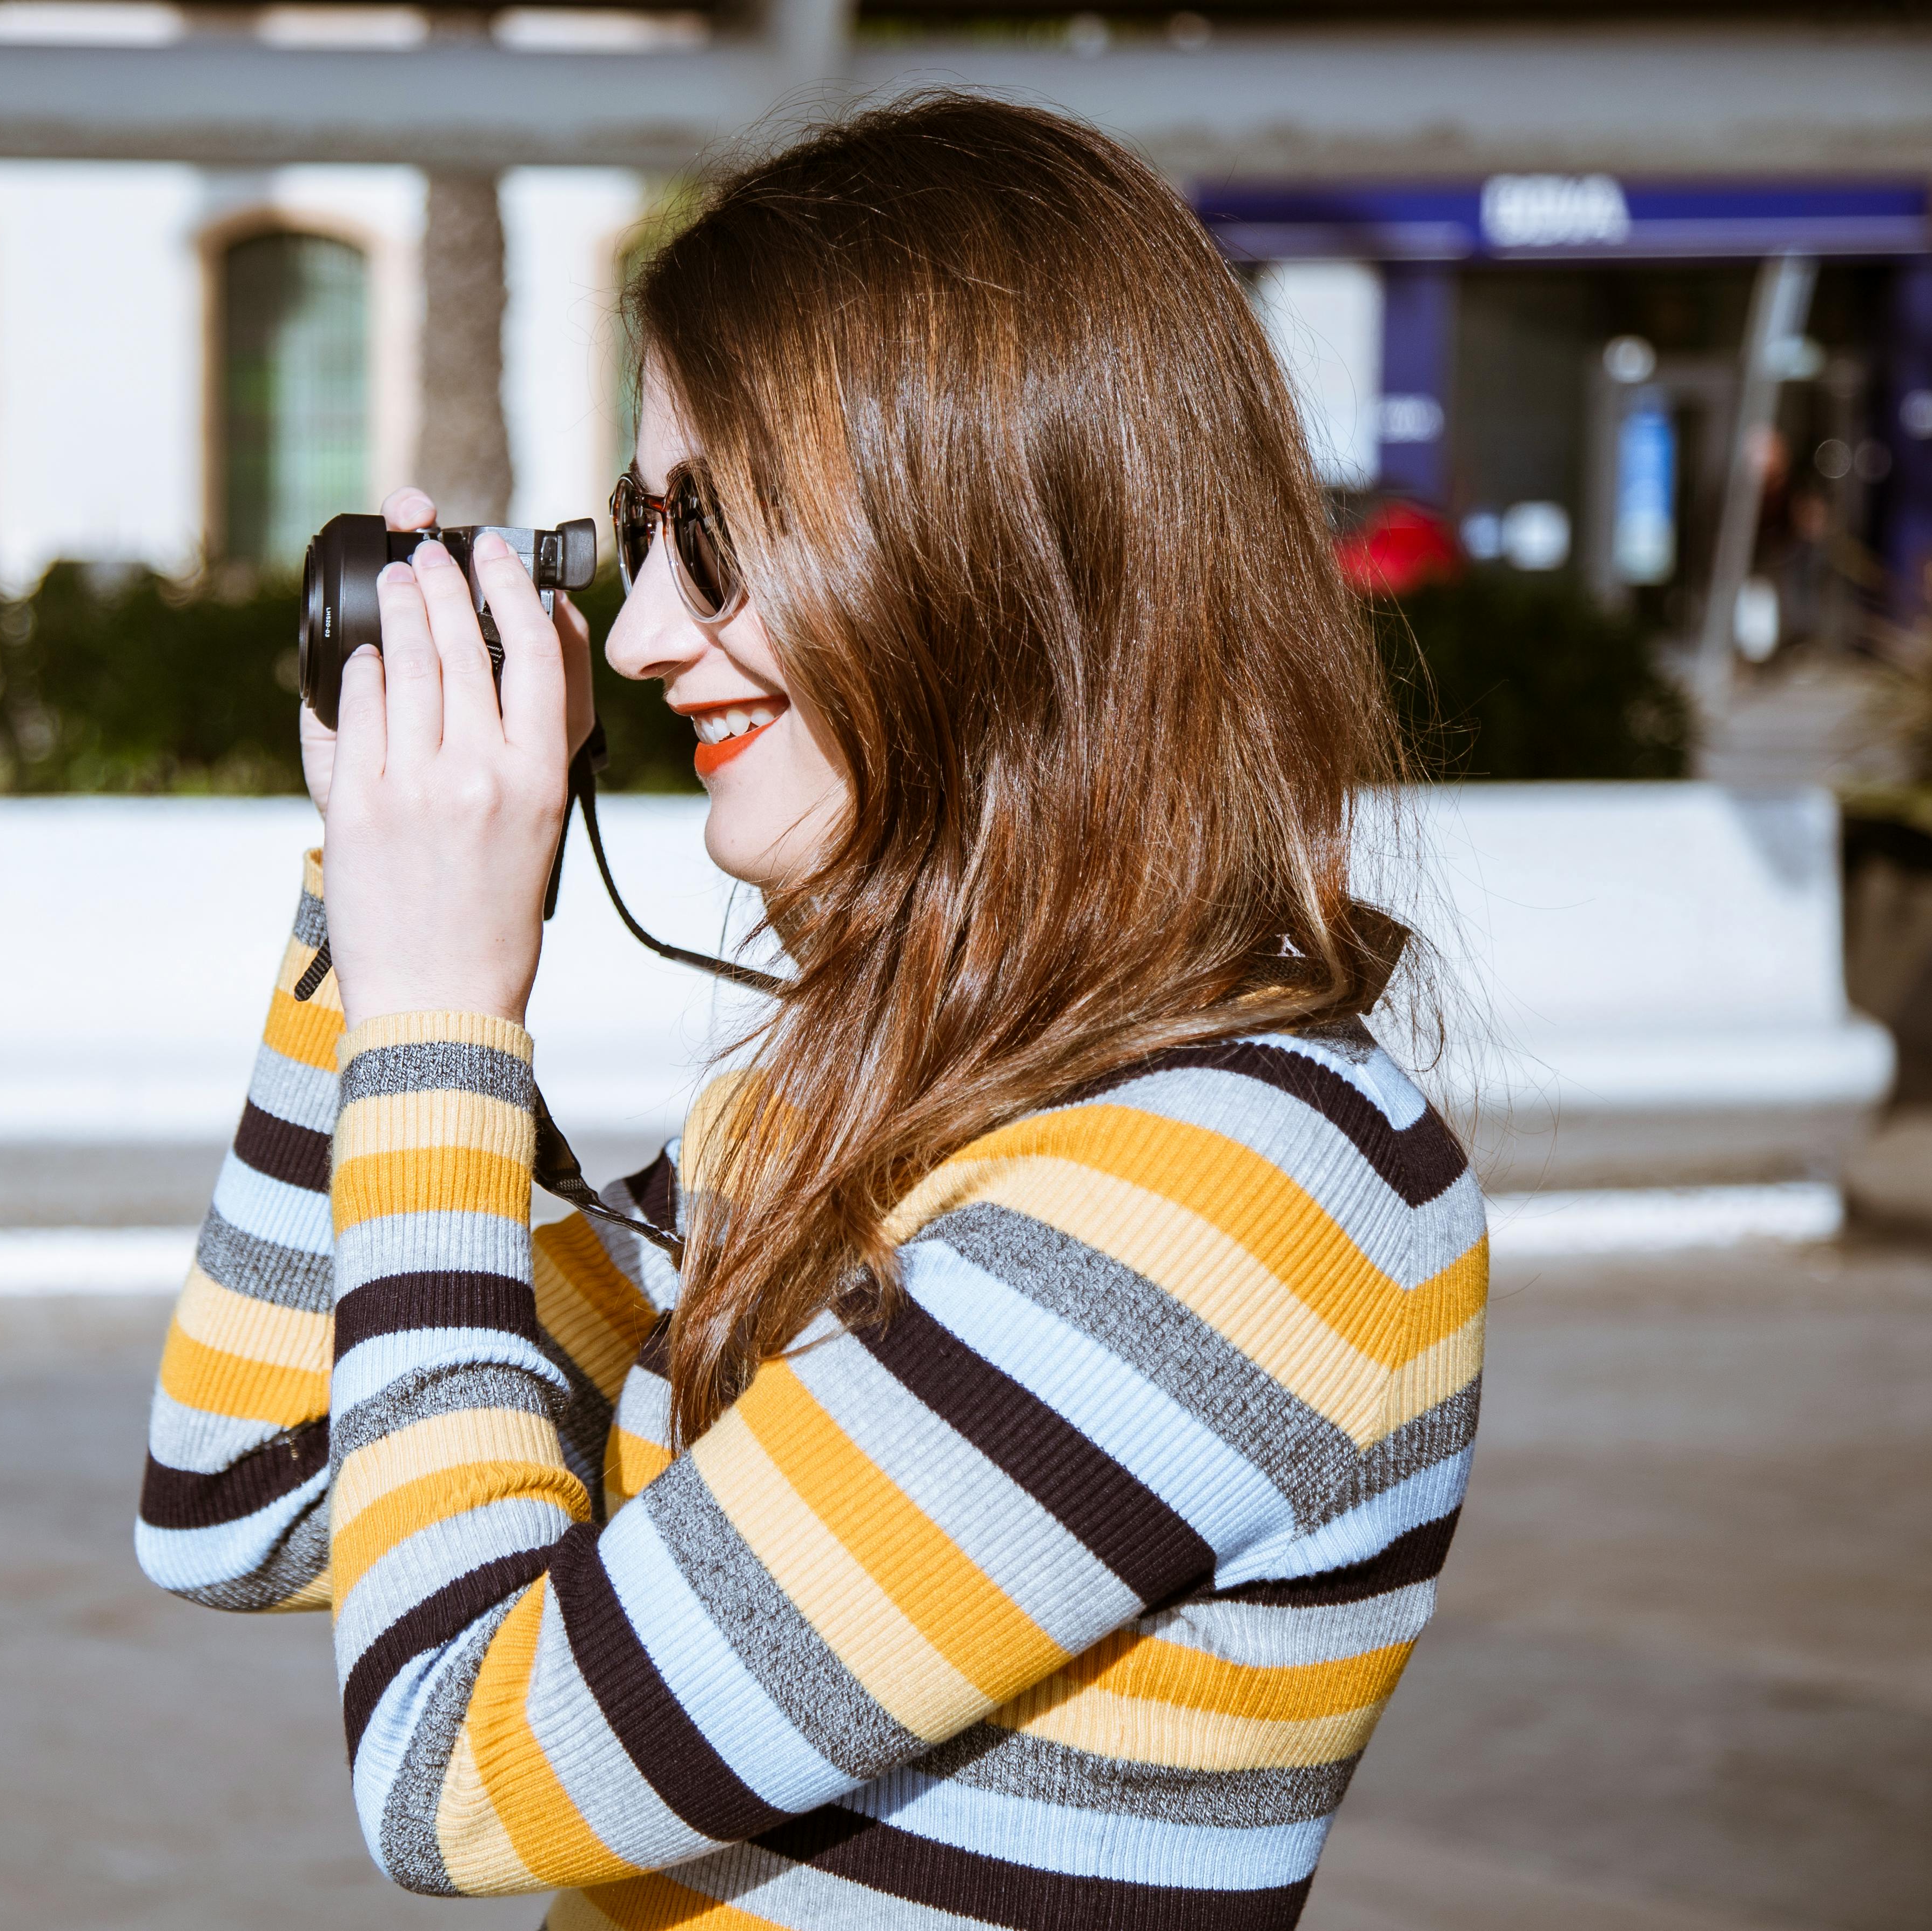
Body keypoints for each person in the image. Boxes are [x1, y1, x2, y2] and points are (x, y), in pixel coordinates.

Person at [137, 91, 1485, 1929]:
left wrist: (441, 1010)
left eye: (714, 531)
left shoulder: (1238, 1192)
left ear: (988, 542)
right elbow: (248, 1493)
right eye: (638, 529)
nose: (637, 636)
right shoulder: (856, 1106)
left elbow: (457, 1768)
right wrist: (368, 906)